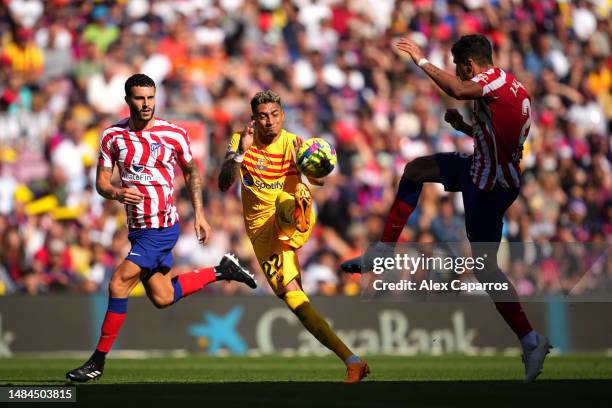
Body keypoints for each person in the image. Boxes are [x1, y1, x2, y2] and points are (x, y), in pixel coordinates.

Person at [341, 35, 550, 383]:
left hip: (487, 186)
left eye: (458, 66)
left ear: (469, 65)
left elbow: (456, 89)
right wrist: (464, 128)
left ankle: (531, 340)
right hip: (483, 172)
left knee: (486, 271)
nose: (457, 72)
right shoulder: (515, 88)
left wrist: (422, 61)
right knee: (415, 171)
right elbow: (500, 136)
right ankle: (383, 250)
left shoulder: (488, 81)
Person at [66, 74, 256, 382]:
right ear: (128, 100)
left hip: (161, 226)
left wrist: (199, 214)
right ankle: (222, 271)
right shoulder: (112, 137)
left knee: (117, 284)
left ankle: (97, 361)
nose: (146, 104)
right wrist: (116, 192)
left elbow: (192, 172)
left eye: (150, 98)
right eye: (140, 98)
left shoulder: (173, 134)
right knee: (163, 296)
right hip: (138, 229)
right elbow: (101, 183)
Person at [218, 90, 369, 383]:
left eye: (275, 115)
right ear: (254, 119)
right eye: (262, 116)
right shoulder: (240, 141)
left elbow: (320, 179)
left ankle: (297, 211)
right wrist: (241, 152)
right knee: (294, 298)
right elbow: (224, 183)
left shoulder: (294, 143)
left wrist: (310, 166)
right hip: (263, 234)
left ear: (282, 115)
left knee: (287, 200)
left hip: (291, 217)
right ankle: (352, 361)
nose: (269, 121)